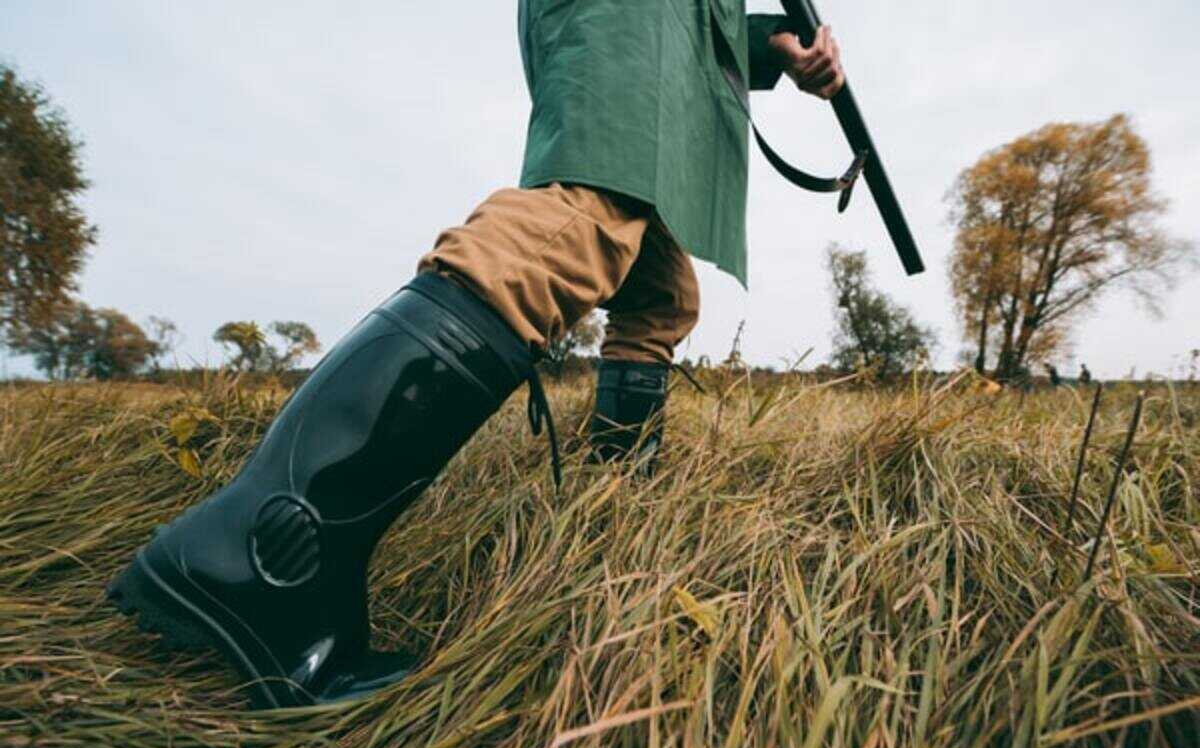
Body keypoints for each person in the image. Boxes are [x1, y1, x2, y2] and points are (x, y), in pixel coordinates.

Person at [108, 2, 846, 708]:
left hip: (667, 36)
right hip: (634, 19)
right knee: (585, 222)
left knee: (659, 295)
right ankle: (259, 550)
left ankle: (615, 505)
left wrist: (778, 43)